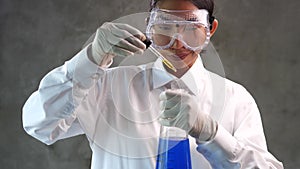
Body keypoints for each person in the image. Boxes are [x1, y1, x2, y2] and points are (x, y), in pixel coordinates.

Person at [22, 0, 284, 168]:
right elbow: (39, 124)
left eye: (191, 28)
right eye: (166, 27)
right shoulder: (108, 88)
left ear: (210, 29)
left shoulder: (236, 99)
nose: (178, 42)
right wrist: (90, 59)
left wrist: (212, 133)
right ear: (149, 26)